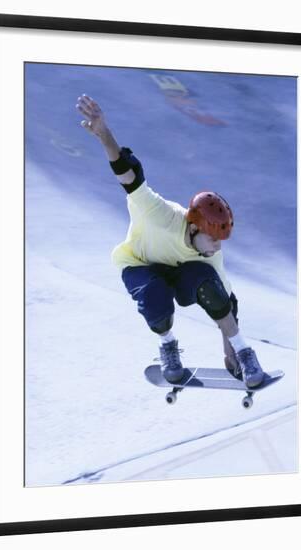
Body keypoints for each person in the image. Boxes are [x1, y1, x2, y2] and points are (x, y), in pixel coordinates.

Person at [75, 94, 265, 388]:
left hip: (180, 274)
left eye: (221, 240)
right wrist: (104, 134)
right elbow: (129, 175)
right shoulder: (159, 213)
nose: (217, 246)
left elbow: (227, 305)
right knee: (156, 297)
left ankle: (246, 353)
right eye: (212, 238)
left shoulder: (210, 254)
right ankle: (168, 346)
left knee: (212, 288)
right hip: (138, 265)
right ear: (193, 227)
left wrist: (232, 353)